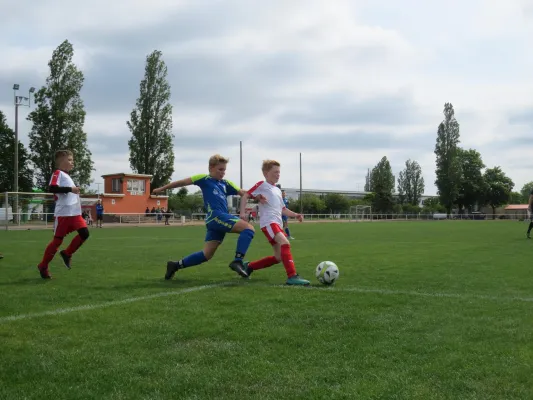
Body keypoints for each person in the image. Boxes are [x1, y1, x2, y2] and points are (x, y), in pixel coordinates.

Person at [152, 154, 262, 280]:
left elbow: (244, 193)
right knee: (249, 229)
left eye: (224, 170)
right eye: (220, 169)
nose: (223, 173)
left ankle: (175, 265)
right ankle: (237, 261)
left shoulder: (226, 183)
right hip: (216, 216)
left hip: (216, 220)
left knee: (206, 255)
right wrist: (162, 188)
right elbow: (182, 182)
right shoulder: (204, 179)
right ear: (211, 167)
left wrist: (257, 197)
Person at [239, 160, 310, 286]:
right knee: (285, 242)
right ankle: (292, 276)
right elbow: (245, 195)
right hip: (269, 223)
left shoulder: (277, 190)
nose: (278, 175)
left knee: (278, 257)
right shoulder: (262, 184)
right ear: (266, 173)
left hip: (277, 224)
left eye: (279, 172)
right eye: (275, 172)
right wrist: (242, 213)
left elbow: (283, 209)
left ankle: (249, 267)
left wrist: (296, 215)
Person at [37, 150, 90, 279]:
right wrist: (71, 189)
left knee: (85, 233)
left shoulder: (67, 176)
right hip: (64, 214)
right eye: (70, 160)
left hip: (75, 214)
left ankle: (67, 253)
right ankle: (43, 266)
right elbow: (52, 188)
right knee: (57, 241)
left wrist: (74, 191)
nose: (73, 162)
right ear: (62, 160)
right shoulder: (58, 173)